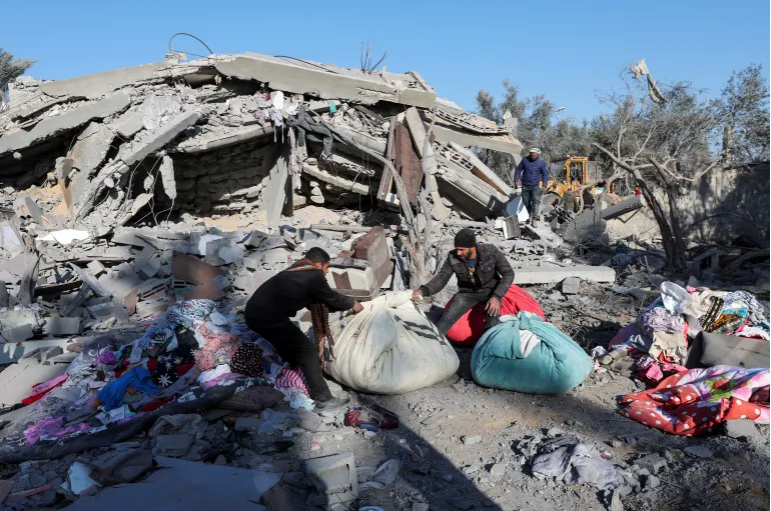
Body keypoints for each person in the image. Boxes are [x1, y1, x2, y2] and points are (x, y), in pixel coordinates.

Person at [244, 247, 363, 410]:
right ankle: (322, 398)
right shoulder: (313, 275)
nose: (326, 273)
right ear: (320, 264)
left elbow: (316, 300)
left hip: (254, 315)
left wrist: (341, 307)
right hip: (267, 317)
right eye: (327, 268)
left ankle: (293, 368)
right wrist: (352, 303)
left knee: (286, 342)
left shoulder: (294, 272)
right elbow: (330, 297)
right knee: (306, 349)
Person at [411, 229, 514, 336]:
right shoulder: (452, 257)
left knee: (492, 322)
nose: (458, 252)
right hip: (468, 294)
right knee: (446, 319)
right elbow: (441, 279)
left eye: (462, 249)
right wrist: (423, 291)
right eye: (457, 249)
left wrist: (496, 296)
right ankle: (434, 343)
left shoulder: (490, 251)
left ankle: (484, 348)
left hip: (491, 292)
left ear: (472, 247)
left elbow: (509, 274)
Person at [514, 148, 549, 227]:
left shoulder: (541, 162)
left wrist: (544, 185)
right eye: (531, 155)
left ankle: (534, 219)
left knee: (536, 201)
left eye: (534, 155)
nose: (532, 156)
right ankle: (529, 214)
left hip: (535, 185)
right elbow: (518, 170)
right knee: (526, 201)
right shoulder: (525, 160)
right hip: (525, 185)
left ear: (538, 154)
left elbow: (545, 174)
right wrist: (516, 180)